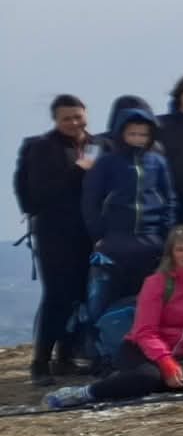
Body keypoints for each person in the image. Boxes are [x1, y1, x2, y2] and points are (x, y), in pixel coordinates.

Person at [44, 226, 183, 410]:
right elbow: (144, 331)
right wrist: (166, 361)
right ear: (172, 254)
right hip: (142, 351)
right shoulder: (157, 282)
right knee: (148, 376)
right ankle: (85, 393)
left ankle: (124, 383)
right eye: (180, 250)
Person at [15, 95, 96, 384]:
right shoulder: (42, 147)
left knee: (82, 295)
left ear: (86, 114)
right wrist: (77, 171)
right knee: (58, 296)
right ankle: (40, 362)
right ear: (55, 120)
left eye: (78, 116)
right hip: (55, 234)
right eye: (66, 119)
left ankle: (66, 357)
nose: (73, 123)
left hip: (89, 232)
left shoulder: (99, 145)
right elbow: (39, 195)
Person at [82, 107, 178, 302]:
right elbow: (91, 200)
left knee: (150, 298)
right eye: (132, 134)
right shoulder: (106, 163)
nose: (138, 139)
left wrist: (166, 232)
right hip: (115, 240)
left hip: (152, 240)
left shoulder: (158, 162)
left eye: (143, 135)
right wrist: (98, 235)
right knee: (106, 297)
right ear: (121, 134)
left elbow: (170, 198)